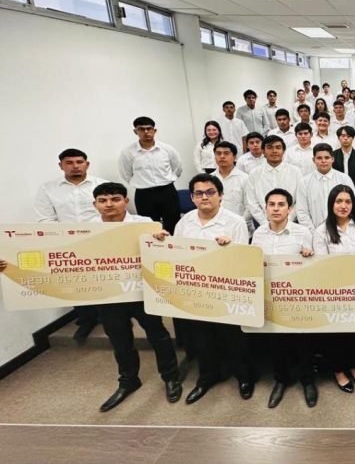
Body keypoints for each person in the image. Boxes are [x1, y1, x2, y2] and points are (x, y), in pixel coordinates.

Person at [154, 174, 252, 404]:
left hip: (227, 289)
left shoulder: (235, 222)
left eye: (210, 192)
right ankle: (207, 377)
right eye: (199, 193)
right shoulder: (184, 222)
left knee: (233, 337)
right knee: (201, 337)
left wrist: (229, 248)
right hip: (196, 289)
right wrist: (160, 243)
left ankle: (244, 377)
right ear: (192, 198)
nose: (204, 197)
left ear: (221, 195)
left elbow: (243, 259)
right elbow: (177, 255)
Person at [84, 183, 182, 411]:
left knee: (158, 335)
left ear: (126, 201)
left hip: (141, 291)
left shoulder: (144, 224)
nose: (109, 204)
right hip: (108, 294)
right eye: (103, 200)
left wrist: (161, 241)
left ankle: (171, 377)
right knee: (119, 340)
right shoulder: (86, 229)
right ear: (95, 204)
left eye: (115, 199)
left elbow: (163, 254)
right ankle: (128, 380)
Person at [251, 188, 317, 409]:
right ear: (265, 209)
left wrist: (309, 256)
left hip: (297, 297)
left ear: (290, 209)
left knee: (303, 341)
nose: (276, 209)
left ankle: (308, 381)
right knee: (276, 342)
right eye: (272, 205)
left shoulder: (303, 233)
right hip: (270, 297)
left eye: (281, 205)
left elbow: (314, 266)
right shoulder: (258, 234)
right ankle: (281, 380)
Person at [33, 147, 108, 339]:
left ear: (87, 164)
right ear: (61, 166)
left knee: (106, 278)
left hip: (100, 239)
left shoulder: (102, 185)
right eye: (69, 162)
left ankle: (111, 317)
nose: (75, 166)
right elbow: (45, 219)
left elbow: (112, 212)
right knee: (76, 282)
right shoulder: (48, 189)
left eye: (79, 162)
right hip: (67, 243)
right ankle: (86, 319)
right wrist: (66, 237)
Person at [313, 185, 355, 393]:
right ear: (331, 204)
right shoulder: (321, 231)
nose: (343, 206)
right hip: (334, 290)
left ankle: (353, 365)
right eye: (339, 201)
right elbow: (320, 264)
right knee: (336, 334)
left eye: (347, 201)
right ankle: (338, 370)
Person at [118, 116, 182, 234]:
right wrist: (141, 182)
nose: (146, 132)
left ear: (154, 130)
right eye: (141, 129)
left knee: (173, 223)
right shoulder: (128, 152)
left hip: (167, 191)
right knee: (149, 227)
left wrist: (167, 179)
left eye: (149, 128)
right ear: (135, 131)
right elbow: (126, 173)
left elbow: (177, 168)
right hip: (144, 194)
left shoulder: (167, 149)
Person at [244, 135, 302, 226]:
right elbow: (252, 202)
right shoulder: (254, 173)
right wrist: (265, 223)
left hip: (291, 222)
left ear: (284, 151)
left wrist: (288, 220)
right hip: (262, 223)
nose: (274, 151)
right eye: (270, 147)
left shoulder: (296, 172)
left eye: (278, 147)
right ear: (263, 151)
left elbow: (300, 200)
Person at [296, 143, 355, 228]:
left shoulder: (344, 179)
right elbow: (302, 212)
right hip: (313, 231)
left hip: (342, 230)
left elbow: (353, 206)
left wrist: (343, 229)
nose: (323, 161)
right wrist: (313, 232)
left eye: (327, 158)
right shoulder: (304, 182)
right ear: (313, 160)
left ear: (332, 159)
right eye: (319, 158)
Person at [211, 141, 250, 225]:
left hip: (240, 225)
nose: (222, 156)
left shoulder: (245, 178)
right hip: (215, 225)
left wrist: (239, 222)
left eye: (226, 153)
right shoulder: (210, 179)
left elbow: (250, 206)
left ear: (234, 157)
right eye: (218, 153)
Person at [333, 126, 355, 193]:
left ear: (353, 138)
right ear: (338, 138)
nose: (345, 138)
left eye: (348, 136)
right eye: (343, 136)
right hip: (336, 191)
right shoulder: (333, 155)